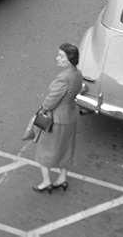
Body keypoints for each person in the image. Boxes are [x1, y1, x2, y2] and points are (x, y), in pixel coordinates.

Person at [31, 43, 83, 193]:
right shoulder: (77, 74)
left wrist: (43, 110)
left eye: (61, 56)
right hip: (70, 116)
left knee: (44, 151)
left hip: (56, 119)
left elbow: (51, 100)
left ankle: (46, 181)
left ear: (69, 59)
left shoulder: (63, 78)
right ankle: (62, 178)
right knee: (65, 149)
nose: (57, 58)